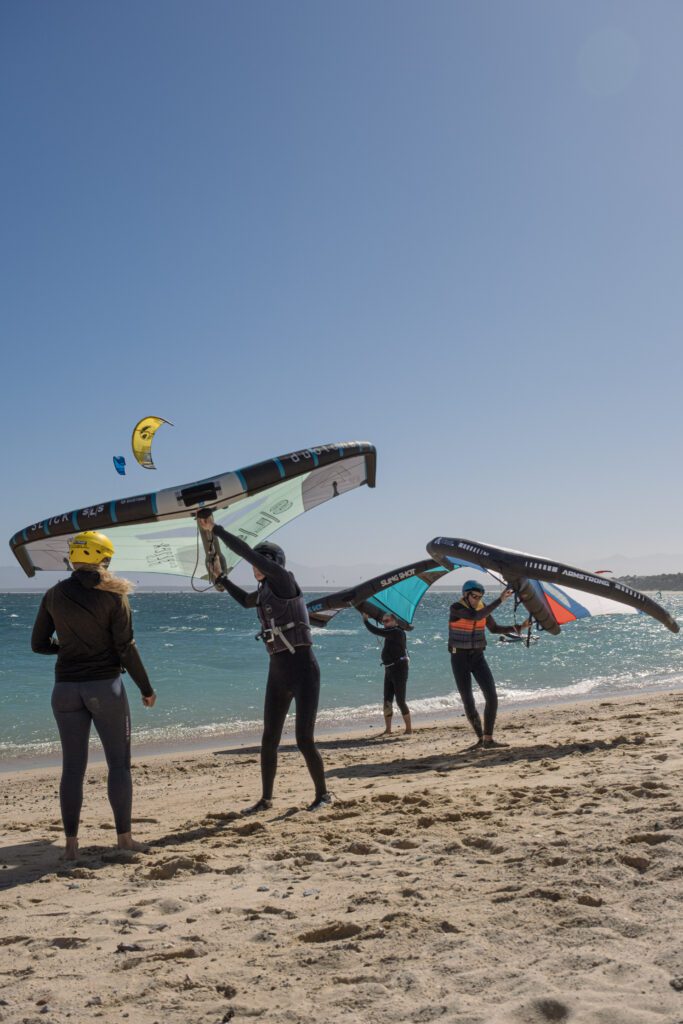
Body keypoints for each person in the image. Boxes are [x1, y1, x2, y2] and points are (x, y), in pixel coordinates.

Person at [31, 531, 156, 860]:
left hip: (64, 690)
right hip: (104, 688)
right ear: (105, 559)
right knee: (119, 765)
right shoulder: (114, 595)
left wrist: (67, 648)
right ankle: (124, 839)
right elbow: (125, 647)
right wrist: (146, 688)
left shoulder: (53, 594)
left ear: (73, 558)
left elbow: (38, 644)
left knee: (72, 769)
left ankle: (70, 847)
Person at [197, 511, 331, 813]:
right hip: (278, 673)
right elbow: (245, 601)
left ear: (273, 563)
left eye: (259, 563)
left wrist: (215, 529)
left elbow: (246, 551)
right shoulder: (264, 592)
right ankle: (266, 799)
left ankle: (323, 795)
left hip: (304, 670)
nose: (253, 568)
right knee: (269, 739)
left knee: (304, 739)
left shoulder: (284, 580)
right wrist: (221, 578)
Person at [448, 580, 527, 749]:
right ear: (465, 594)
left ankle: (488, 739)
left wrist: (519, 627)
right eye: (474, 596)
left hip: (478, 658)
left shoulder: (482, 608)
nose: (477, 600)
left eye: (480, 597)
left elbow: (495, 628)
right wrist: (500, 600)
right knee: (468, 700)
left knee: (492, 697)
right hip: (459, 659)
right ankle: (479, 739)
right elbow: (475, 616)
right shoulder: (456, 608)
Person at [361, 611, 412, 736]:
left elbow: (376, 631)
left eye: (387, 620)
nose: (384, 623)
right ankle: (388, 729)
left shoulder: (397, 632)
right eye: (383, 621)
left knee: (400, 700)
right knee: (387, 699)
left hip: (399, 669)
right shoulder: (390, 631)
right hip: (389, 669)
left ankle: (409, 729)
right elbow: (380, 631)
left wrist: (366, 621)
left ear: (395, 621)